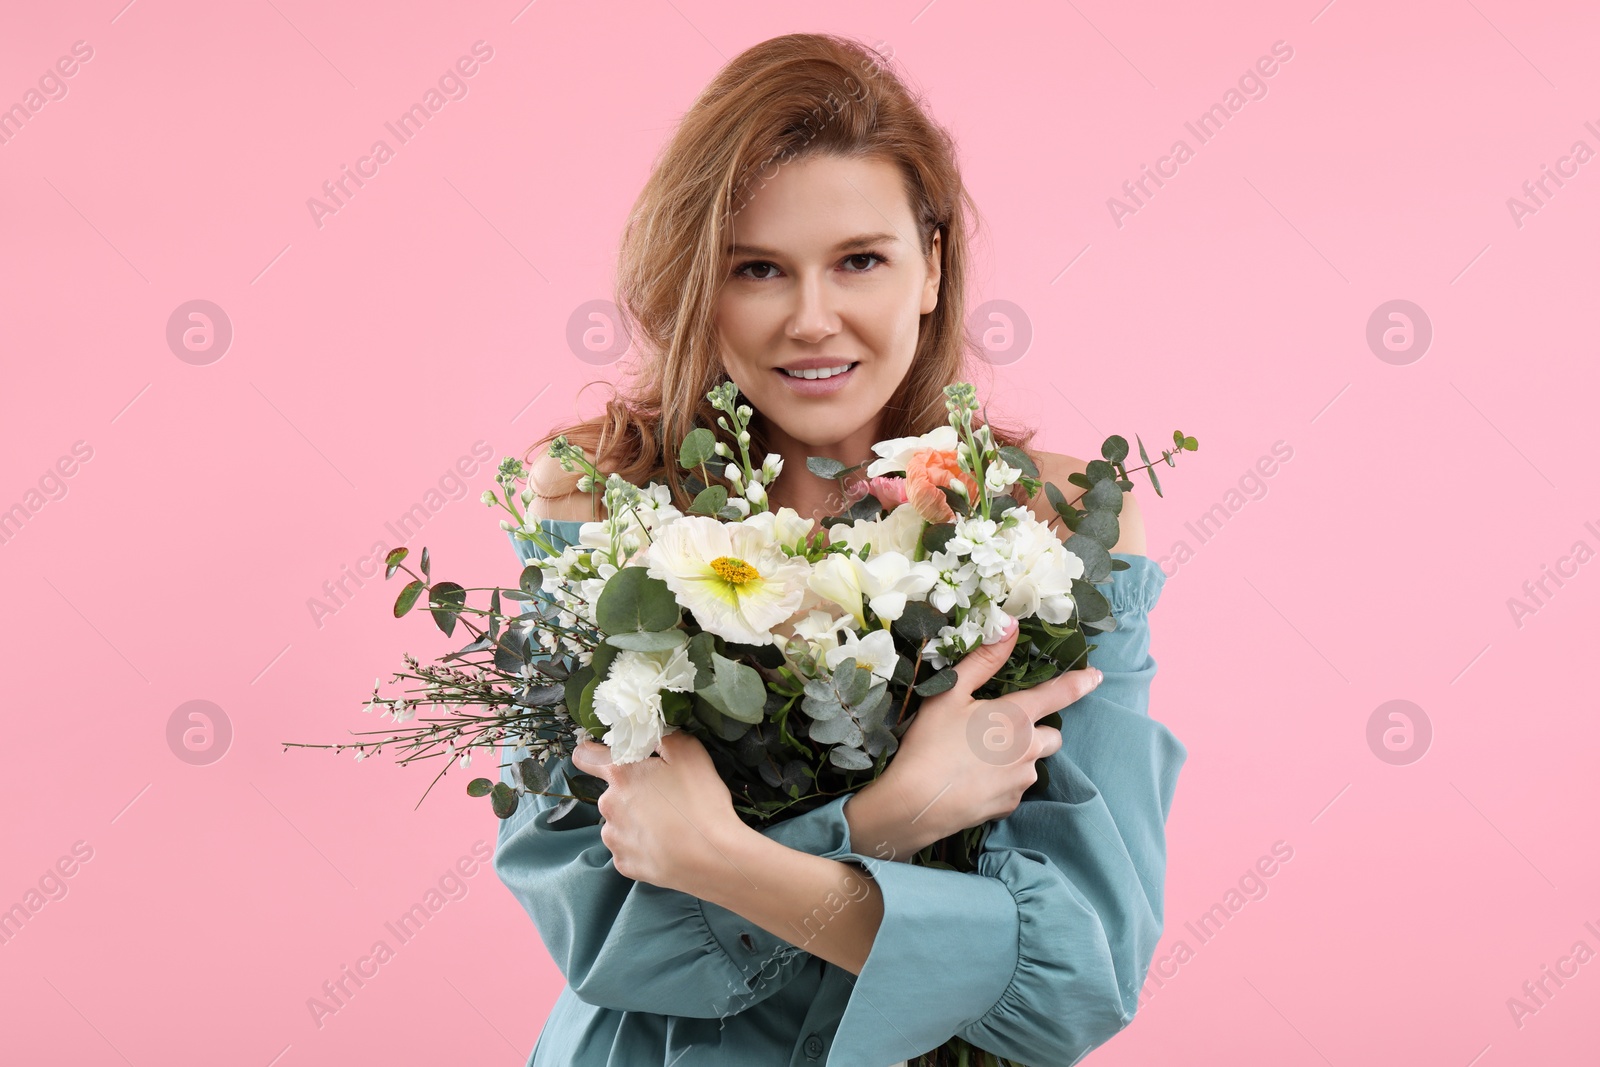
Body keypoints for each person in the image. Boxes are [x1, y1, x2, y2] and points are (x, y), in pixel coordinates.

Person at [492, 33, 1187, 1067]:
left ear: (930, 266)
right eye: (758, 269)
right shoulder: (599, 506)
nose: (812, 320)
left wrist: (724, 859)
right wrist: (890, 818)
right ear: (699, 283)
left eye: (859, 259)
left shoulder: (1057, 522)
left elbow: (1076, 982)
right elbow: (610, 929)